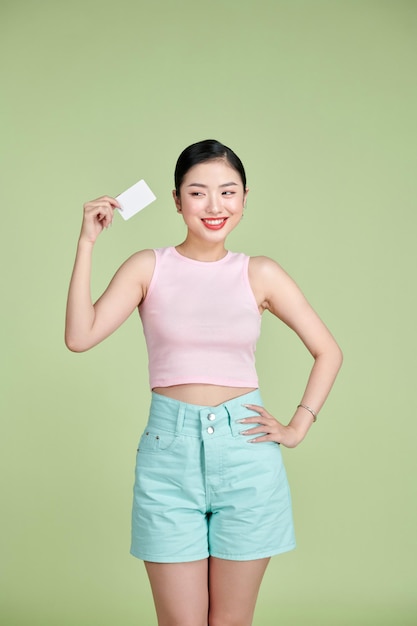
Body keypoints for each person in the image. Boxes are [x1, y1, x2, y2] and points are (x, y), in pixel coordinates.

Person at [65, 139, 343, 626]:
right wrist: (87, 242)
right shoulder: (147, 266)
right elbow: (79, 336)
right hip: (168, 455)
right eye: (198, 193)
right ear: (176, 201)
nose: (214, 206)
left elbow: (328, 351)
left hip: (247, 457)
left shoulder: (260, 273)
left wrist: (298, 426)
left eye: (227, 192)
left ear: (244, 198)